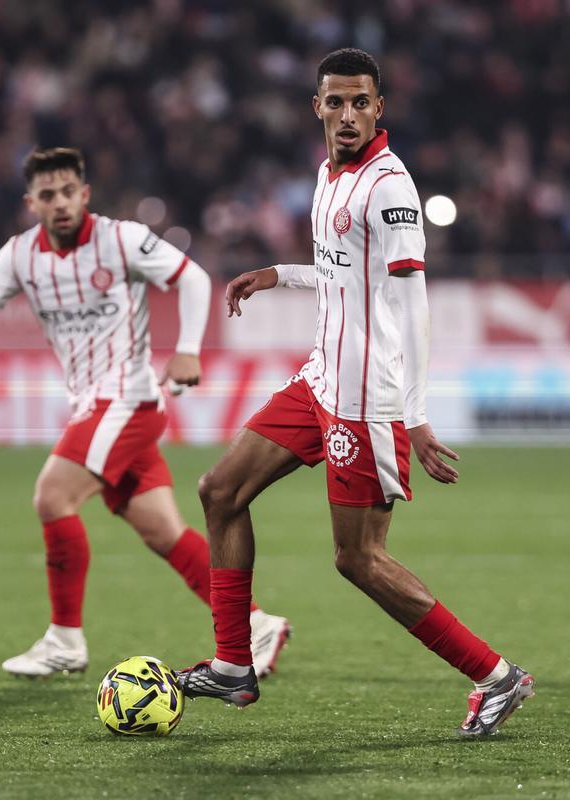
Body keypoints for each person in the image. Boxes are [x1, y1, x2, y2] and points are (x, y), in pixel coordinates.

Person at [177, 50, 533, 737]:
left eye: (360, 102)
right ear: (317, 107)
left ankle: (496, 676)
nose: (347, 115)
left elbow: (412, 303)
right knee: (219, 492)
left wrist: (416, 416)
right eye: (335, 102)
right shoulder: (329, 176)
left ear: (380, 108)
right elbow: (345, 273)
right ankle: (231, 664)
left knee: (358, 559)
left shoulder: (389, 189)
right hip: (320, 379)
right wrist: (280, 274)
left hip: (365, 398)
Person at [0, 147, 290, 679]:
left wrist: (188, 347)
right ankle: (258, 624)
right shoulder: (19, 256)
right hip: (94, 404)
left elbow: (192, 278)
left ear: (84, 194)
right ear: (31, 202)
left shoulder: (120, 239)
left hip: (127, 399)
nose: (59, 203)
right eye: (47, 195)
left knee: (52, 496)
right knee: (164, 532)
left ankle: (64, 640)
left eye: (67, 192)